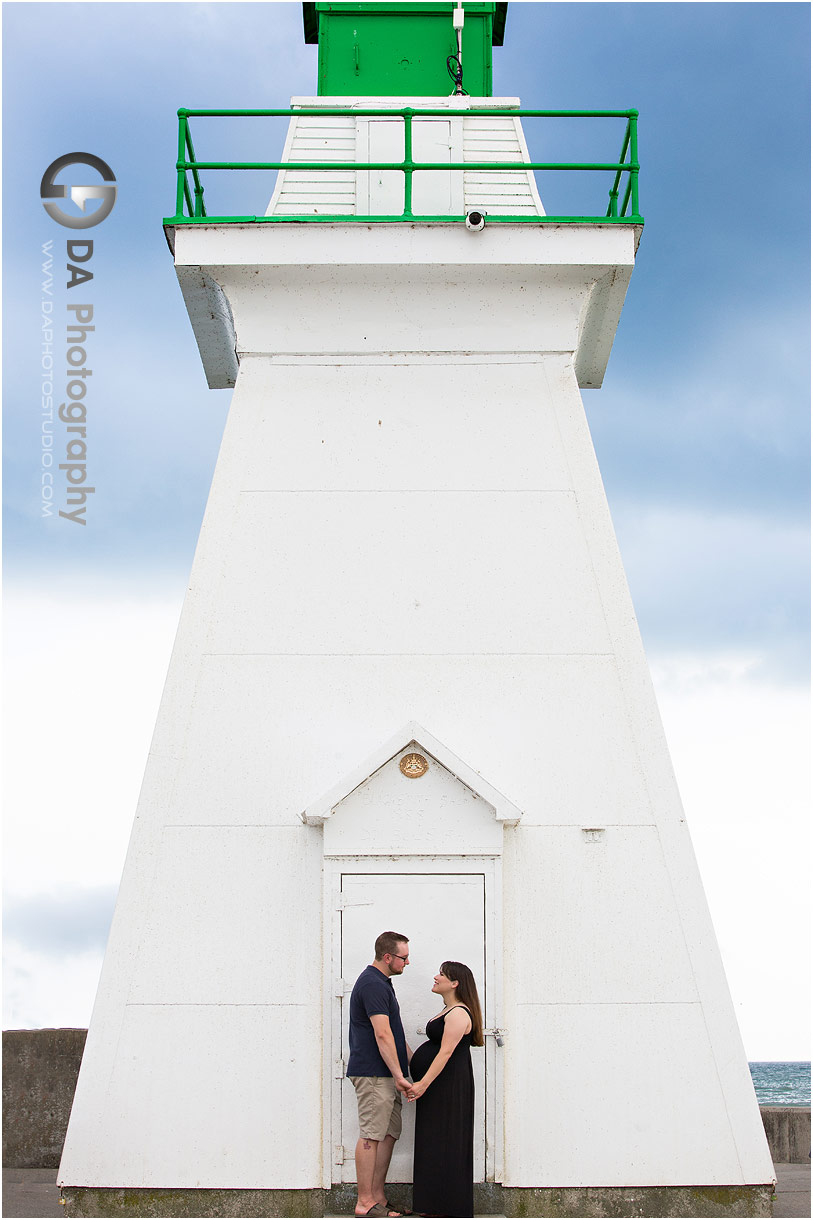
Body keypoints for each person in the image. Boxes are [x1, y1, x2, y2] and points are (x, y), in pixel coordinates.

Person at [406, 961, 484, 1218]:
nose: (436, 977)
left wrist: (422, 1085)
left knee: (447, 1142)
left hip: (448, 1088)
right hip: (438, 1088)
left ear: (455, 983)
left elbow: (446, 1052)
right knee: (433, 1142)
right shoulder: (447, 1010)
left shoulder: (459, 1013)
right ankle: (431, 1206)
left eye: (442, 974)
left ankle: (448, 1208)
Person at [347, 931, 413, 1219]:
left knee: (388, 1134)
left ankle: (377, 1198)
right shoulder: (372, 984)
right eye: (404, 957)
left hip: (387, 1075)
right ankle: (364, 1203)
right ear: (388, 957)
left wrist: (414, 1065)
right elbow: (382, 1034)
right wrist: (399, 1075)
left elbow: (395, 1033)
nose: (408, 962)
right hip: (375, 1074)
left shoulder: (383, 983)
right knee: (372, 1136)